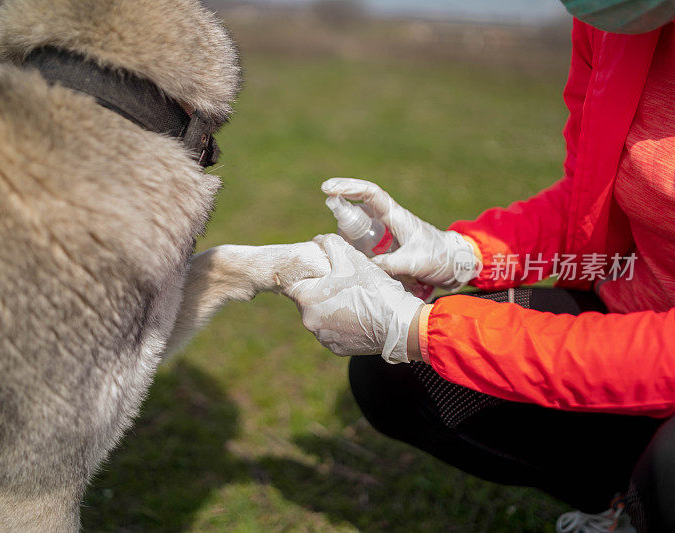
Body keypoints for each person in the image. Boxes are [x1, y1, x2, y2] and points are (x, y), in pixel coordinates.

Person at [286, 2, 675, 532]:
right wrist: (464, 252)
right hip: (625, 308)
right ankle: (614, 507)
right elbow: (591, 195)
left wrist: (428, 330)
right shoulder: (613, 23)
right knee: (395, 374)